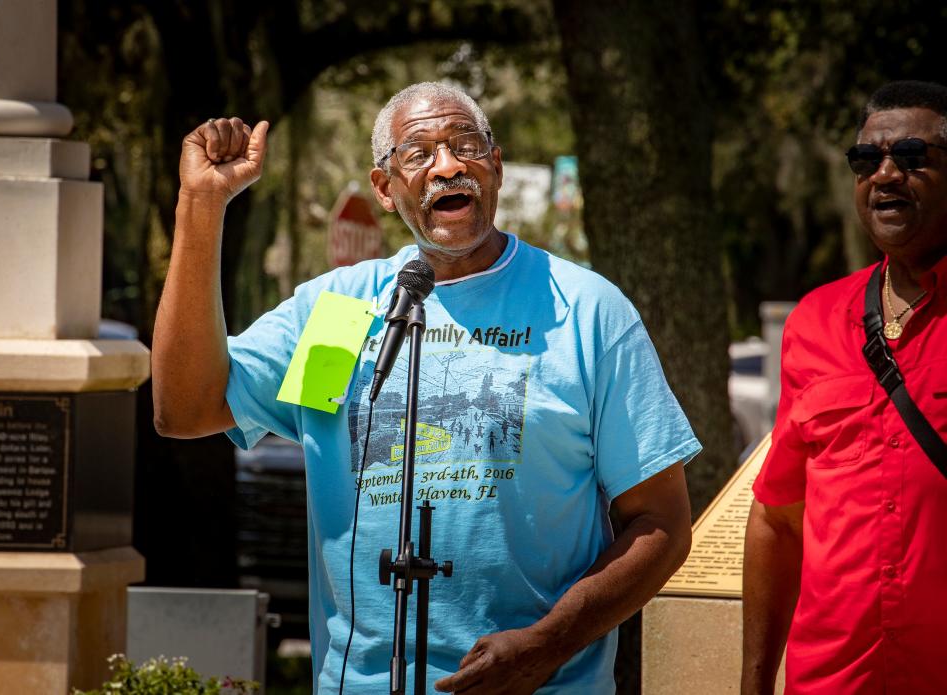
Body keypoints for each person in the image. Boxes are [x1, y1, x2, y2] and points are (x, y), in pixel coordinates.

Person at [152, 81, 701, 694]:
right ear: (385, 188)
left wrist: (548, 645)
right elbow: (185, 409)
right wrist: (201, 207)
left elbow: (661, 524)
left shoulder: (584, 310)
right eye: (418, 153)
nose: (448, 166)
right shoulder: (341, 311)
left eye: (466, 144)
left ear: (494, 165)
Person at [742, 80, 947, 695]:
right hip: (831, 681)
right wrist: (753, 684)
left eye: (913, 157)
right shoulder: (813, 321)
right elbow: (778, 519)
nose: (885, 174)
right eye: (867, 160)